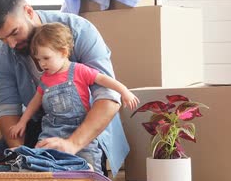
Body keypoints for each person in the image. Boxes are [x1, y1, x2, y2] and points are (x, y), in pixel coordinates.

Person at [0, 0, 130, 175]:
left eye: (15, 33)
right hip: (43, 127)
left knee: (78, 178)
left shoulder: (80, 31)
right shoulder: (3, 54)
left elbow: (109, 97)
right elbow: (8, 110)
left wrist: (71, 144)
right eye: (2, 39)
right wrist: (22, 156)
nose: (11, 44)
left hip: (86, 127)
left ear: (28, 11)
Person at [8, 23, 139, 149]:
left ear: (63, 52)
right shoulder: (45, 79)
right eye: (38, 59)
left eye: (46, 58)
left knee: (87, 164)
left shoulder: (79, 70)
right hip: (51, 132)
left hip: (79, 131)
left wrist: (124, 91)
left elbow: (104, 79)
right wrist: (22, 122)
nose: (42, 64)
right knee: (43, 161)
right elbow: (34, 103)